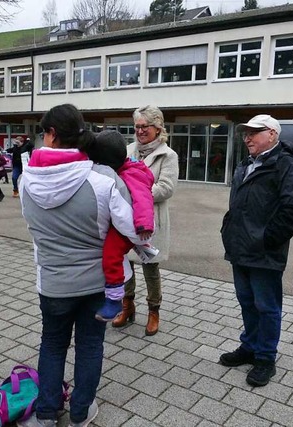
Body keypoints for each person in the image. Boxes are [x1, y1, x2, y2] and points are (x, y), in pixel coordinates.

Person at [18, 104, 144, 427]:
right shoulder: (103, 180)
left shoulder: (26, 182)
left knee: (52, 344)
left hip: (53, 284)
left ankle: (46, 414)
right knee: (90, 346)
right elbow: (133, 228)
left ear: (52, 135)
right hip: (96, 286)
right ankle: (79, 412)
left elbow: (34, 229)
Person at [219, 114, 293, 387]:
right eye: (245, 133)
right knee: (247, 302)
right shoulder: (246, 164)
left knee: (267, 307)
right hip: (240, 249)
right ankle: (250, 347)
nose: (247, 137)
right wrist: (228, 229)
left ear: (271, 134)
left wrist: (266, 240)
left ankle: (265, 358)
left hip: (264, 253)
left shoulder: (285, 166)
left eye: (254, 132)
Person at [112, 105, 179, 336]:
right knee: (125, 264)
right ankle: (127, 305)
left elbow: (166, 189)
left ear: (158, 127)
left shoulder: (167, 155)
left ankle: (154, 311)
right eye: (137, 127)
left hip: (150, 221)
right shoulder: (128, 149)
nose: (140, 131)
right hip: (125, 218)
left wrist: (136, 192)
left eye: (145, 127)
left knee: (150, 266)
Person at [84, 130, 156, 322]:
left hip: (135, 224)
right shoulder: (125, 169)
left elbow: (143, 200)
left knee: (111, 254)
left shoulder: (131, 174)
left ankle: (115, 298)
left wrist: (144, 226)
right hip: (125, 221)